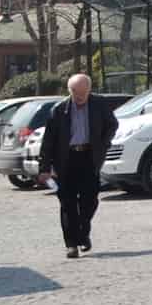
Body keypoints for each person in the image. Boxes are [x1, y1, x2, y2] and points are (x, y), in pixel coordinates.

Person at [37, 74, 116, 258]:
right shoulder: (59, 110)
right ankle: (71, 244)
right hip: (66, 160)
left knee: (90, 201)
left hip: (90, 157)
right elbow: (48, 141)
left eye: (83, 93)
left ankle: (83, 233)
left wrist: (103, 143)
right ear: (69, 91)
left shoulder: (99, 104)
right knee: (67, 203)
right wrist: (44, 168)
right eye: (75, 92)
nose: (79, 97)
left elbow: (112, 124)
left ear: (89, 90)